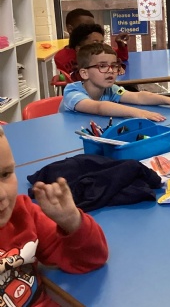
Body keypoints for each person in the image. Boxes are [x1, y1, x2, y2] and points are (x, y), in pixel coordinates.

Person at [0, 125, 108, 306]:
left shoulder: (23, 215)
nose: (2, 194)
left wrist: (71, 221)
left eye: (5, 174)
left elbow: (90, 260)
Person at [62, 42, 170, 120]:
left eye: (114, 66)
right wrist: (138, 113)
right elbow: (99, 107)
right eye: (102, 66)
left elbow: (139, 97)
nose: (111, 71)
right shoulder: (72, 92)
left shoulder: (111, 90)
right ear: (84, 73)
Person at [55, 9, 129, 76]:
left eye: (92, 26)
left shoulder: (98, 48)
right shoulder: (61, 57)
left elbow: (120, 57)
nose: (91, 30)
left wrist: (121, 46)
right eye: (85, 26)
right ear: (70, 29)